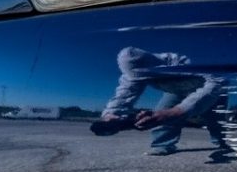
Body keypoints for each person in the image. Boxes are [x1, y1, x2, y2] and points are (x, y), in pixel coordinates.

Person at [93, 46, 227, 155]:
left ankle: (221, 142)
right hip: (176, 90)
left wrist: (177, 111)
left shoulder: (184, 63)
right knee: (159, 113)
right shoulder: (131, 74)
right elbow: (124, 94)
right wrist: (111, 114)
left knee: (215, 119)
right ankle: (163, 145)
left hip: (213, 91)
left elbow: (217, 82)